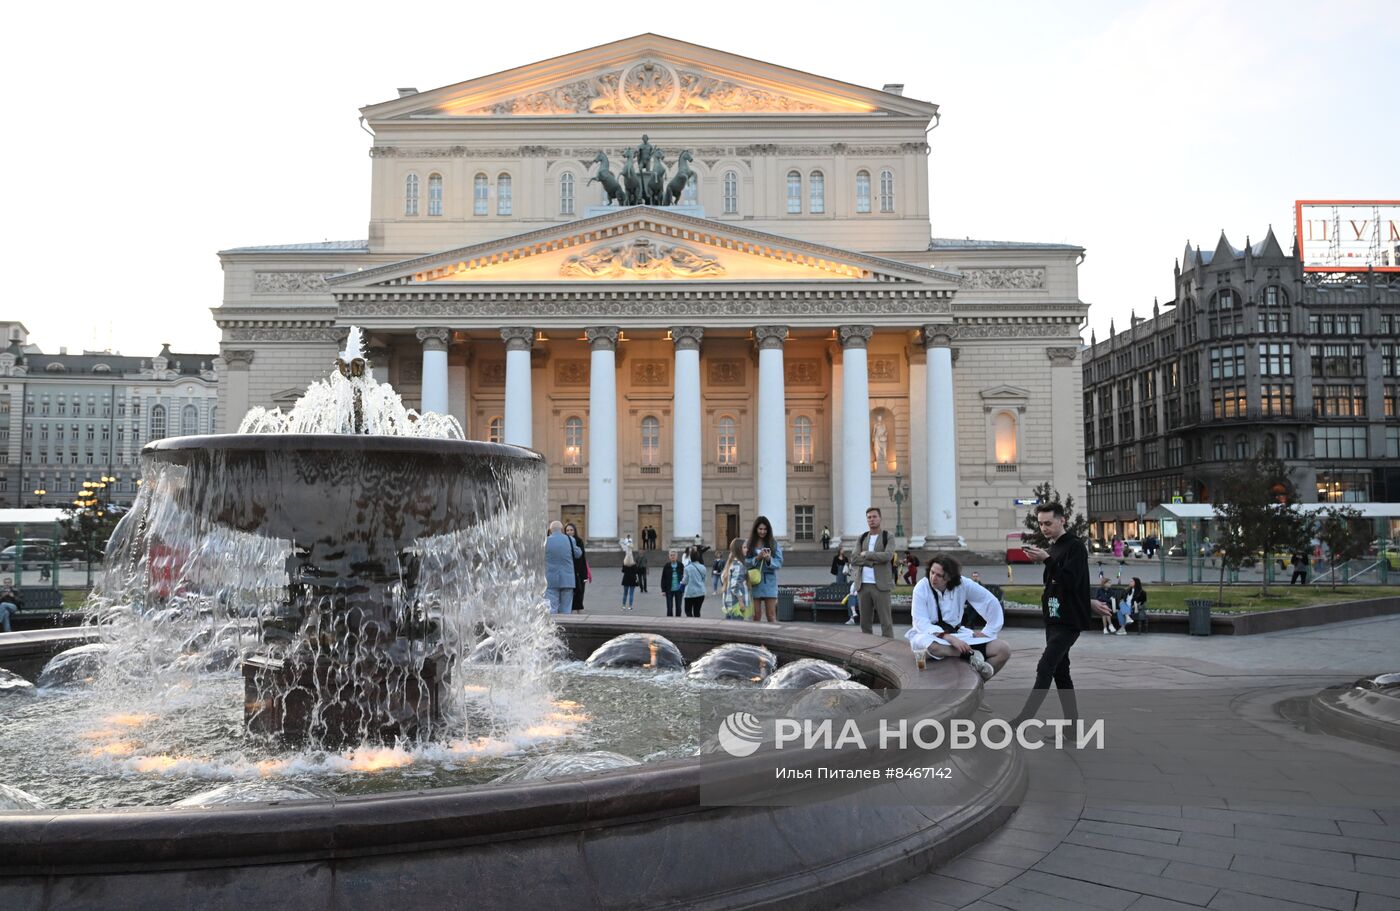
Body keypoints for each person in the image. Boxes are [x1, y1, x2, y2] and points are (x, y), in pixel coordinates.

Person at [1013, 502, 1112, 728]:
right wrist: (1087, 601)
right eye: (1040, 524)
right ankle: (1072, 729)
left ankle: (1022, 720)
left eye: (1048, 523)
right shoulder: (1055, 547)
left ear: (1062, 520)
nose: (1044, 528)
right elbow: (1064, 585)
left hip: (1068, 622)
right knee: (1061, 673)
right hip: (1054, 618)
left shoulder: (1074, 547)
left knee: (1045, 666)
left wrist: (1046, 559)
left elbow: (1070, 579)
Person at [906, 554, 1010, 678]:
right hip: (931, 637)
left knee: (1003, 649)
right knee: (932, 647)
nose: (933, 578)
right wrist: (949, 638)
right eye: (932, 572)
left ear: (949, 577)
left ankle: (977, 682)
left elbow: (989, 601)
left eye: (939, 575)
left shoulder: (963, 584)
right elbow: (920, 622)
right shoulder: (921, 587)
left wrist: (989, 631)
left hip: (960, 635)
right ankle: (972, 655)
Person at [851, 507, 895, 638]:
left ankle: (888, 649)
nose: (872, 520)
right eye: (869, 517)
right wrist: (872, 561)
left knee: (886, 622)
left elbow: (887, 556)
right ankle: (867, 650)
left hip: (881, 585)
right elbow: (854, 558)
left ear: (880, 518)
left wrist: (868, 554)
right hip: (863, 585)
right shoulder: (862, 537)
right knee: (865, 623)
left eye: (874, 517)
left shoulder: (888, 536)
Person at [745, 515, 784, 623]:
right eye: (760, 529)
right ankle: (755, 639)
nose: (763, 532)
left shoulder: (773, 543)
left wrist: (768, 559)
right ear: (756, 529)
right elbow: (745, 562)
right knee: (756, 616)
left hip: (769, 582)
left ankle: (772, 638)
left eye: (765, 529)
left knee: (771, 616)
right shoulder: (749, 544)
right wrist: (757, 558)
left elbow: (779, 562)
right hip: (754, 582)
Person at [544, 521, 582, 615]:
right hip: (567, 579)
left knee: (552, 608)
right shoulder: (570, 539)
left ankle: (553, 628)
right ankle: (565, 627)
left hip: (551, 578)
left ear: (550, 530)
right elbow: (578, 554)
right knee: (566, 608)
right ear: (562, 530)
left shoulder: (545, 541)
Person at [720, 538, 751, 620]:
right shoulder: (739, 565)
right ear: (739, 549)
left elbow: (724, 580)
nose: (747, 550)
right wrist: (741, 602)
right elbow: (735, 586)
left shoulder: (731, 562)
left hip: (729, 603)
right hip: (736, 605)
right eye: (744, 547)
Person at [565, 522, 589, 613]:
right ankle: (570, 608)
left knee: (580, 590)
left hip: (579, 570)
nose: (569, 532)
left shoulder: (579, 541)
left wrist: (585, 574)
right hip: (569, 569)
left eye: (571, 530)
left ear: (575, 531)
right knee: (570, 591)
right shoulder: (565, 541)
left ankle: (579, 609)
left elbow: (583, 558)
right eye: (567, 530)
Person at [683, 545, 708, 617]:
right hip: (700, 592)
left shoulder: (687, 568)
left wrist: (681, 583)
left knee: (688, 611)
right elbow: (703, 579)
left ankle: (691, 624)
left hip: (690, 593)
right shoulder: (703, 567)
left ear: (691, 557)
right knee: (697, 612)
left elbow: (685, 580)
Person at [661, 549, 685, 618]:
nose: (672, 557)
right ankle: (669, 620)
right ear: (669, 556)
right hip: (669, 589)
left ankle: (678, 619)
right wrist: (663, 590)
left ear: (677, 556)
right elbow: (663, 578)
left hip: (679, 589)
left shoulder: (680, 565)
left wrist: (683, 589)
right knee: (669, 606)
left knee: (678, 607)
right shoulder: (666, 566)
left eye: (674, 555)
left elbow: (684, 577)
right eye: (671, 555)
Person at [620, 547, 639, 611]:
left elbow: (622, 571)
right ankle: (630, 606)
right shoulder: (634, 564)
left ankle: (623, 606)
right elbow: (636, 571)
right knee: (631, 594)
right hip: (633, 579)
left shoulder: (625, 563)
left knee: (625, 593)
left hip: (626, 579)